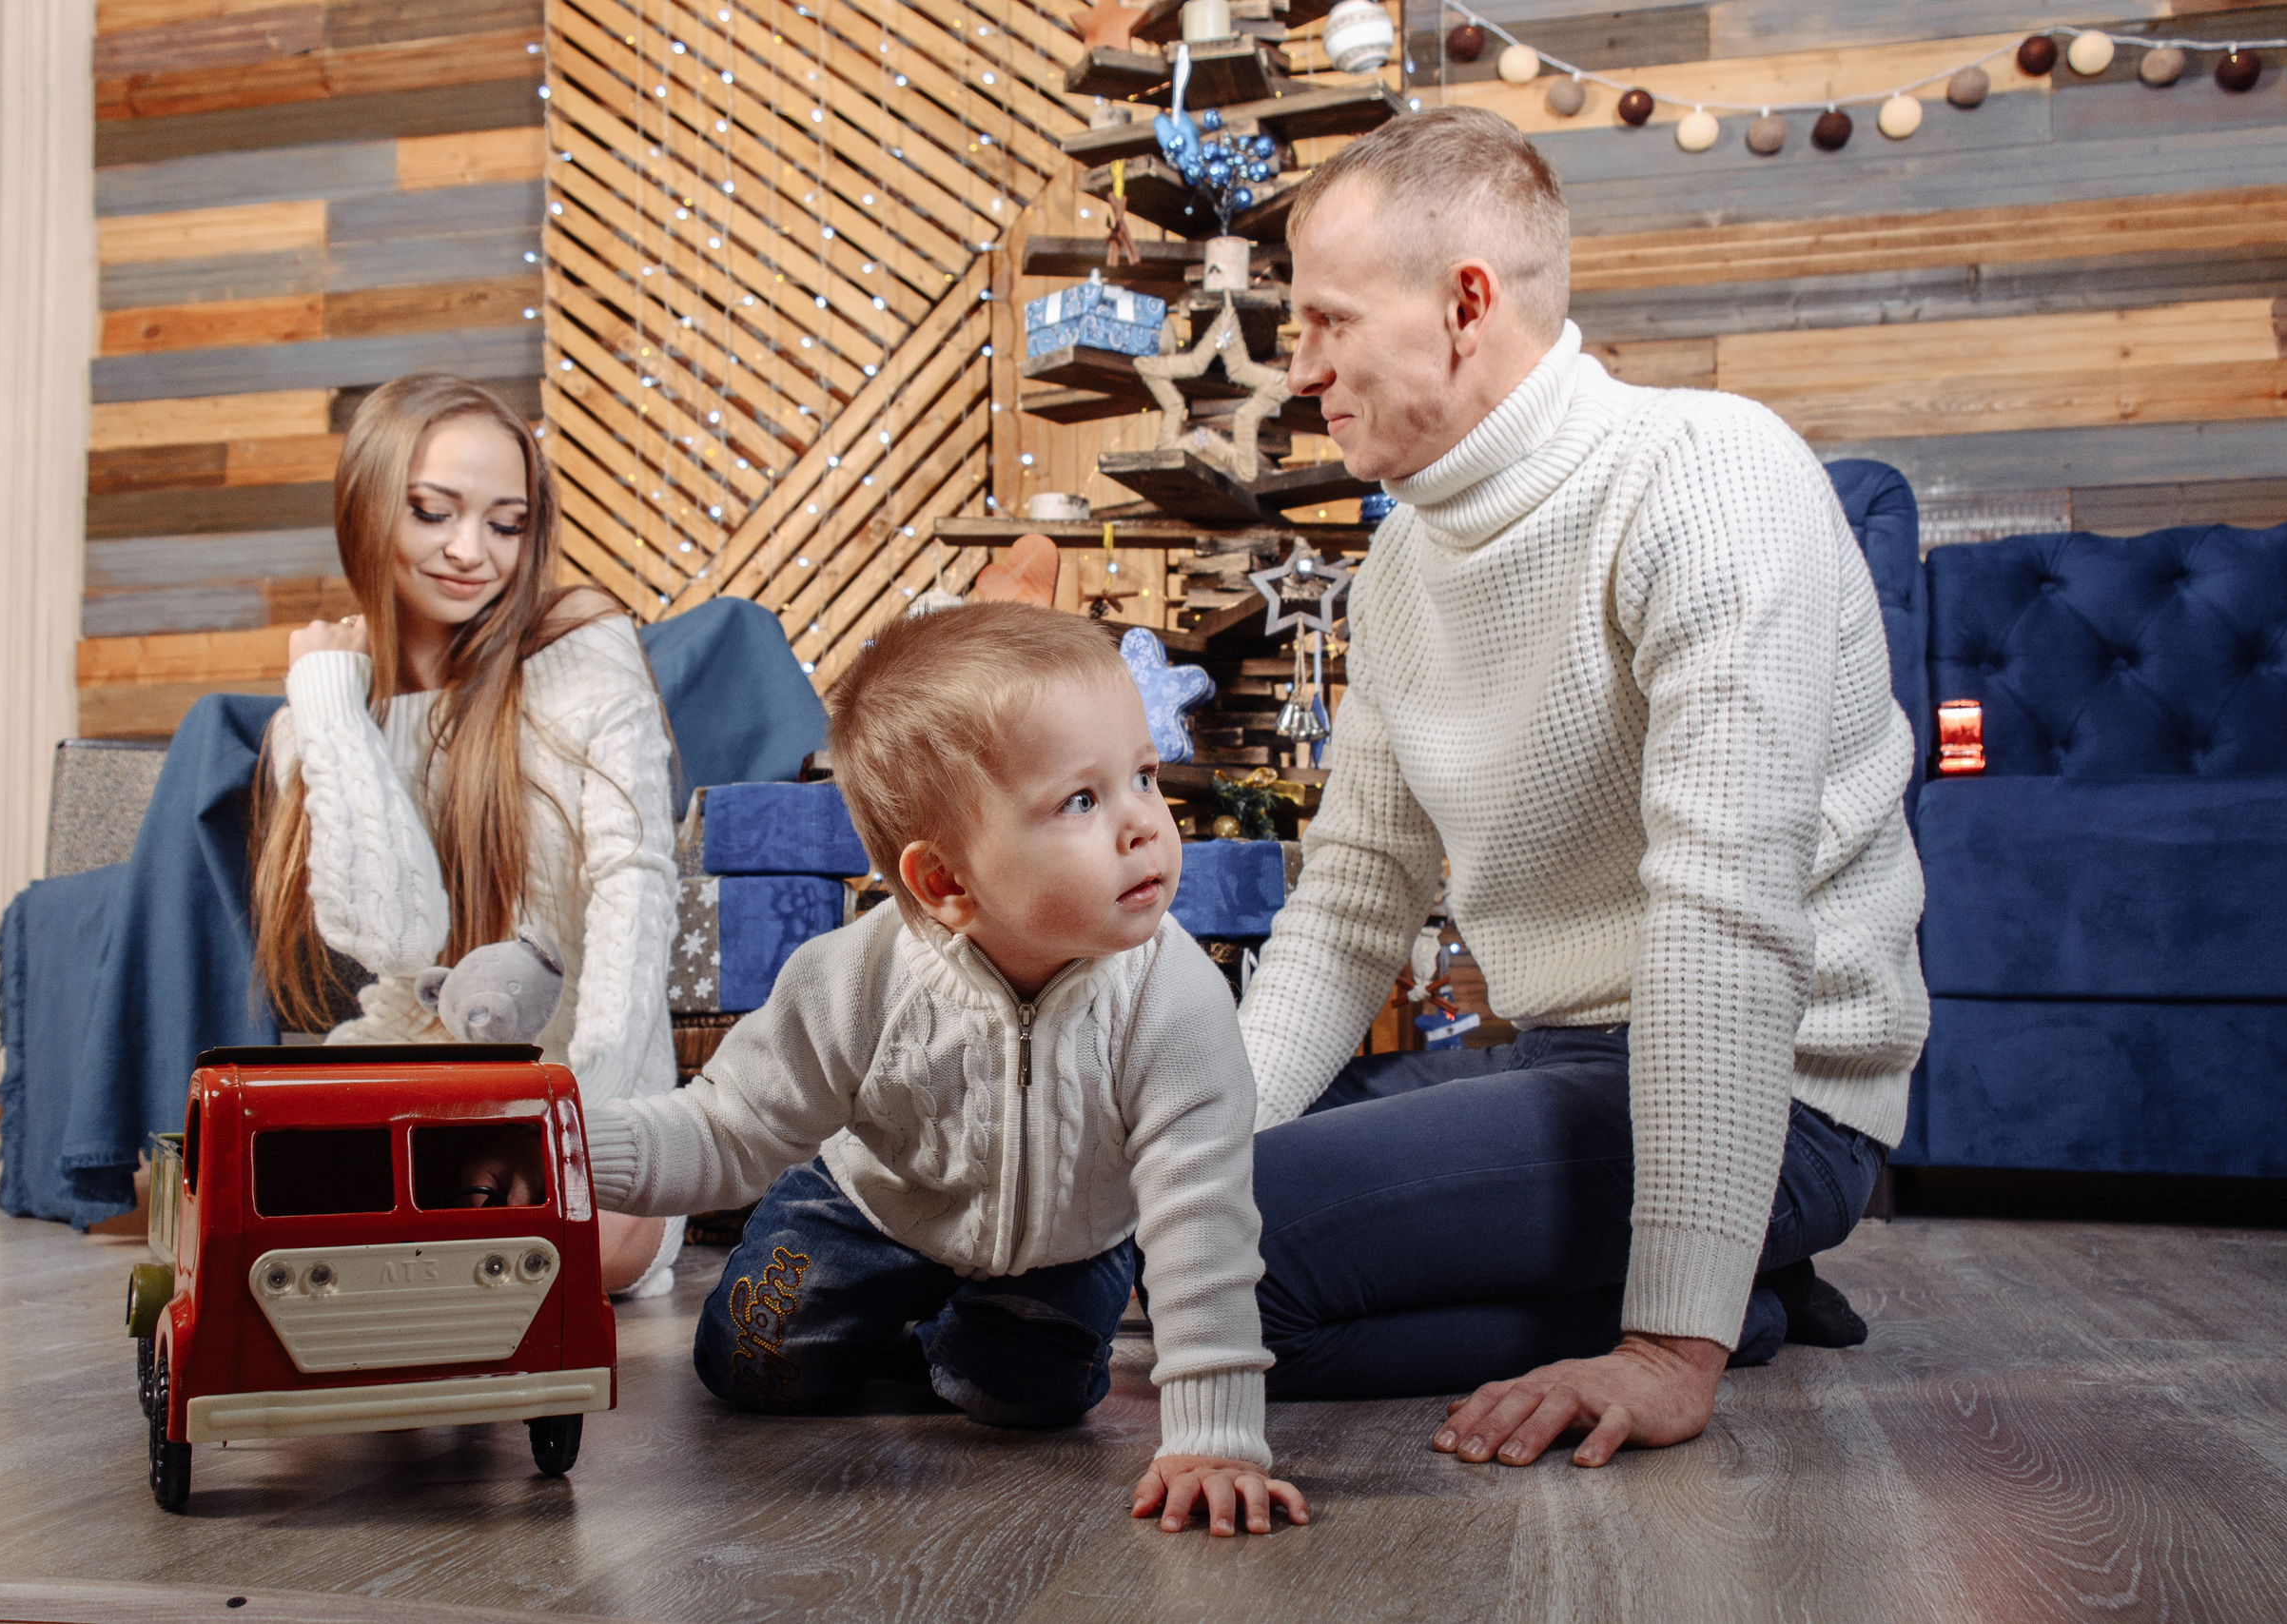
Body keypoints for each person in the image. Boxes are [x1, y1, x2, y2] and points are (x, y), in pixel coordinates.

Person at [1240, 108, 1927, 1468]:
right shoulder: (1400, 572)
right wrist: (1198, 1149)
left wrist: (1669, 1348)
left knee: (1223, 1263)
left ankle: (1716, 1301)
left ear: (1464, 305)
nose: (1297, 366)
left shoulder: (1708, 476)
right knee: (1174, 1214)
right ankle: (1746, 1292)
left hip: (1781, 1100)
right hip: (1565, 1070)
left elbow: (1724, 912)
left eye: (1325, 321)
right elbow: (1351, 903)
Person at [580, 602, 1307, 1537]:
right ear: (947, 883)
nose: (1142, 825)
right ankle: (896, 1315)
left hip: (1066, 1243)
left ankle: (954, 1332)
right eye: (1081, 801)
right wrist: (573, 1151)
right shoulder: (855, 977)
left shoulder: (1173, 1000)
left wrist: (1214, 1439)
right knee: (753, 1361)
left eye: (1142, 776)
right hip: (875, 1206)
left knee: (1027, 1399)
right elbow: (726, 1127)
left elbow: (1203, 1220)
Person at [251, 373, 680, 1293]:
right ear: (368, 509)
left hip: (582, 1087)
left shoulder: (582, 650)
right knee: (263, 1198)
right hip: (412, 1078)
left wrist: (586, 1117)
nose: (470, 551)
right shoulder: (326, 714)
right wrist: (330, 707)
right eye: (433, 512)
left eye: (506, 523)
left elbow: (636, 886)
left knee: (575, 1240)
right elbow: (397, 939)